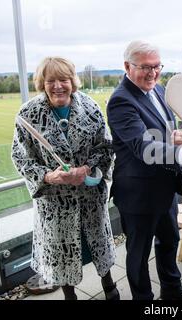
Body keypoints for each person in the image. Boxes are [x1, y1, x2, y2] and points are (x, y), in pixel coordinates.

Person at [107, 40, 182, 300]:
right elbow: (143, 146)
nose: (153, 73)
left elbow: (159, 134)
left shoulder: (157, 89)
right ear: (127, 66)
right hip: (138, 194)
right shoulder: (121, 101)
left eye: (157, 67)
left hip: (165, 187)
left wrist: (176, 136)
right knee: (138, 254)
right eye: (146, 67)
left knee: (169, 243)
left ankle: (172, 291)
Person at [11, 57, 119, 300]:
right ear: (42, 83)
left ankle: (109, 286)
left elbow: (105, 146)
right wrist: (48, 176)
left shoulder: (90, 107)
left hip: (90, 198)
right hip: (55, 205)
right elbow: (20, 158)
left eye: (64, 79)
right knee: (63, 254)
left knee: (97, 246)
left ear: (73, 81)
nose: (58, 86)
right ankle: (70, 295)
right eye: (51, 81)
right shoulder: (28, 114)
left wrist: (86, 168)